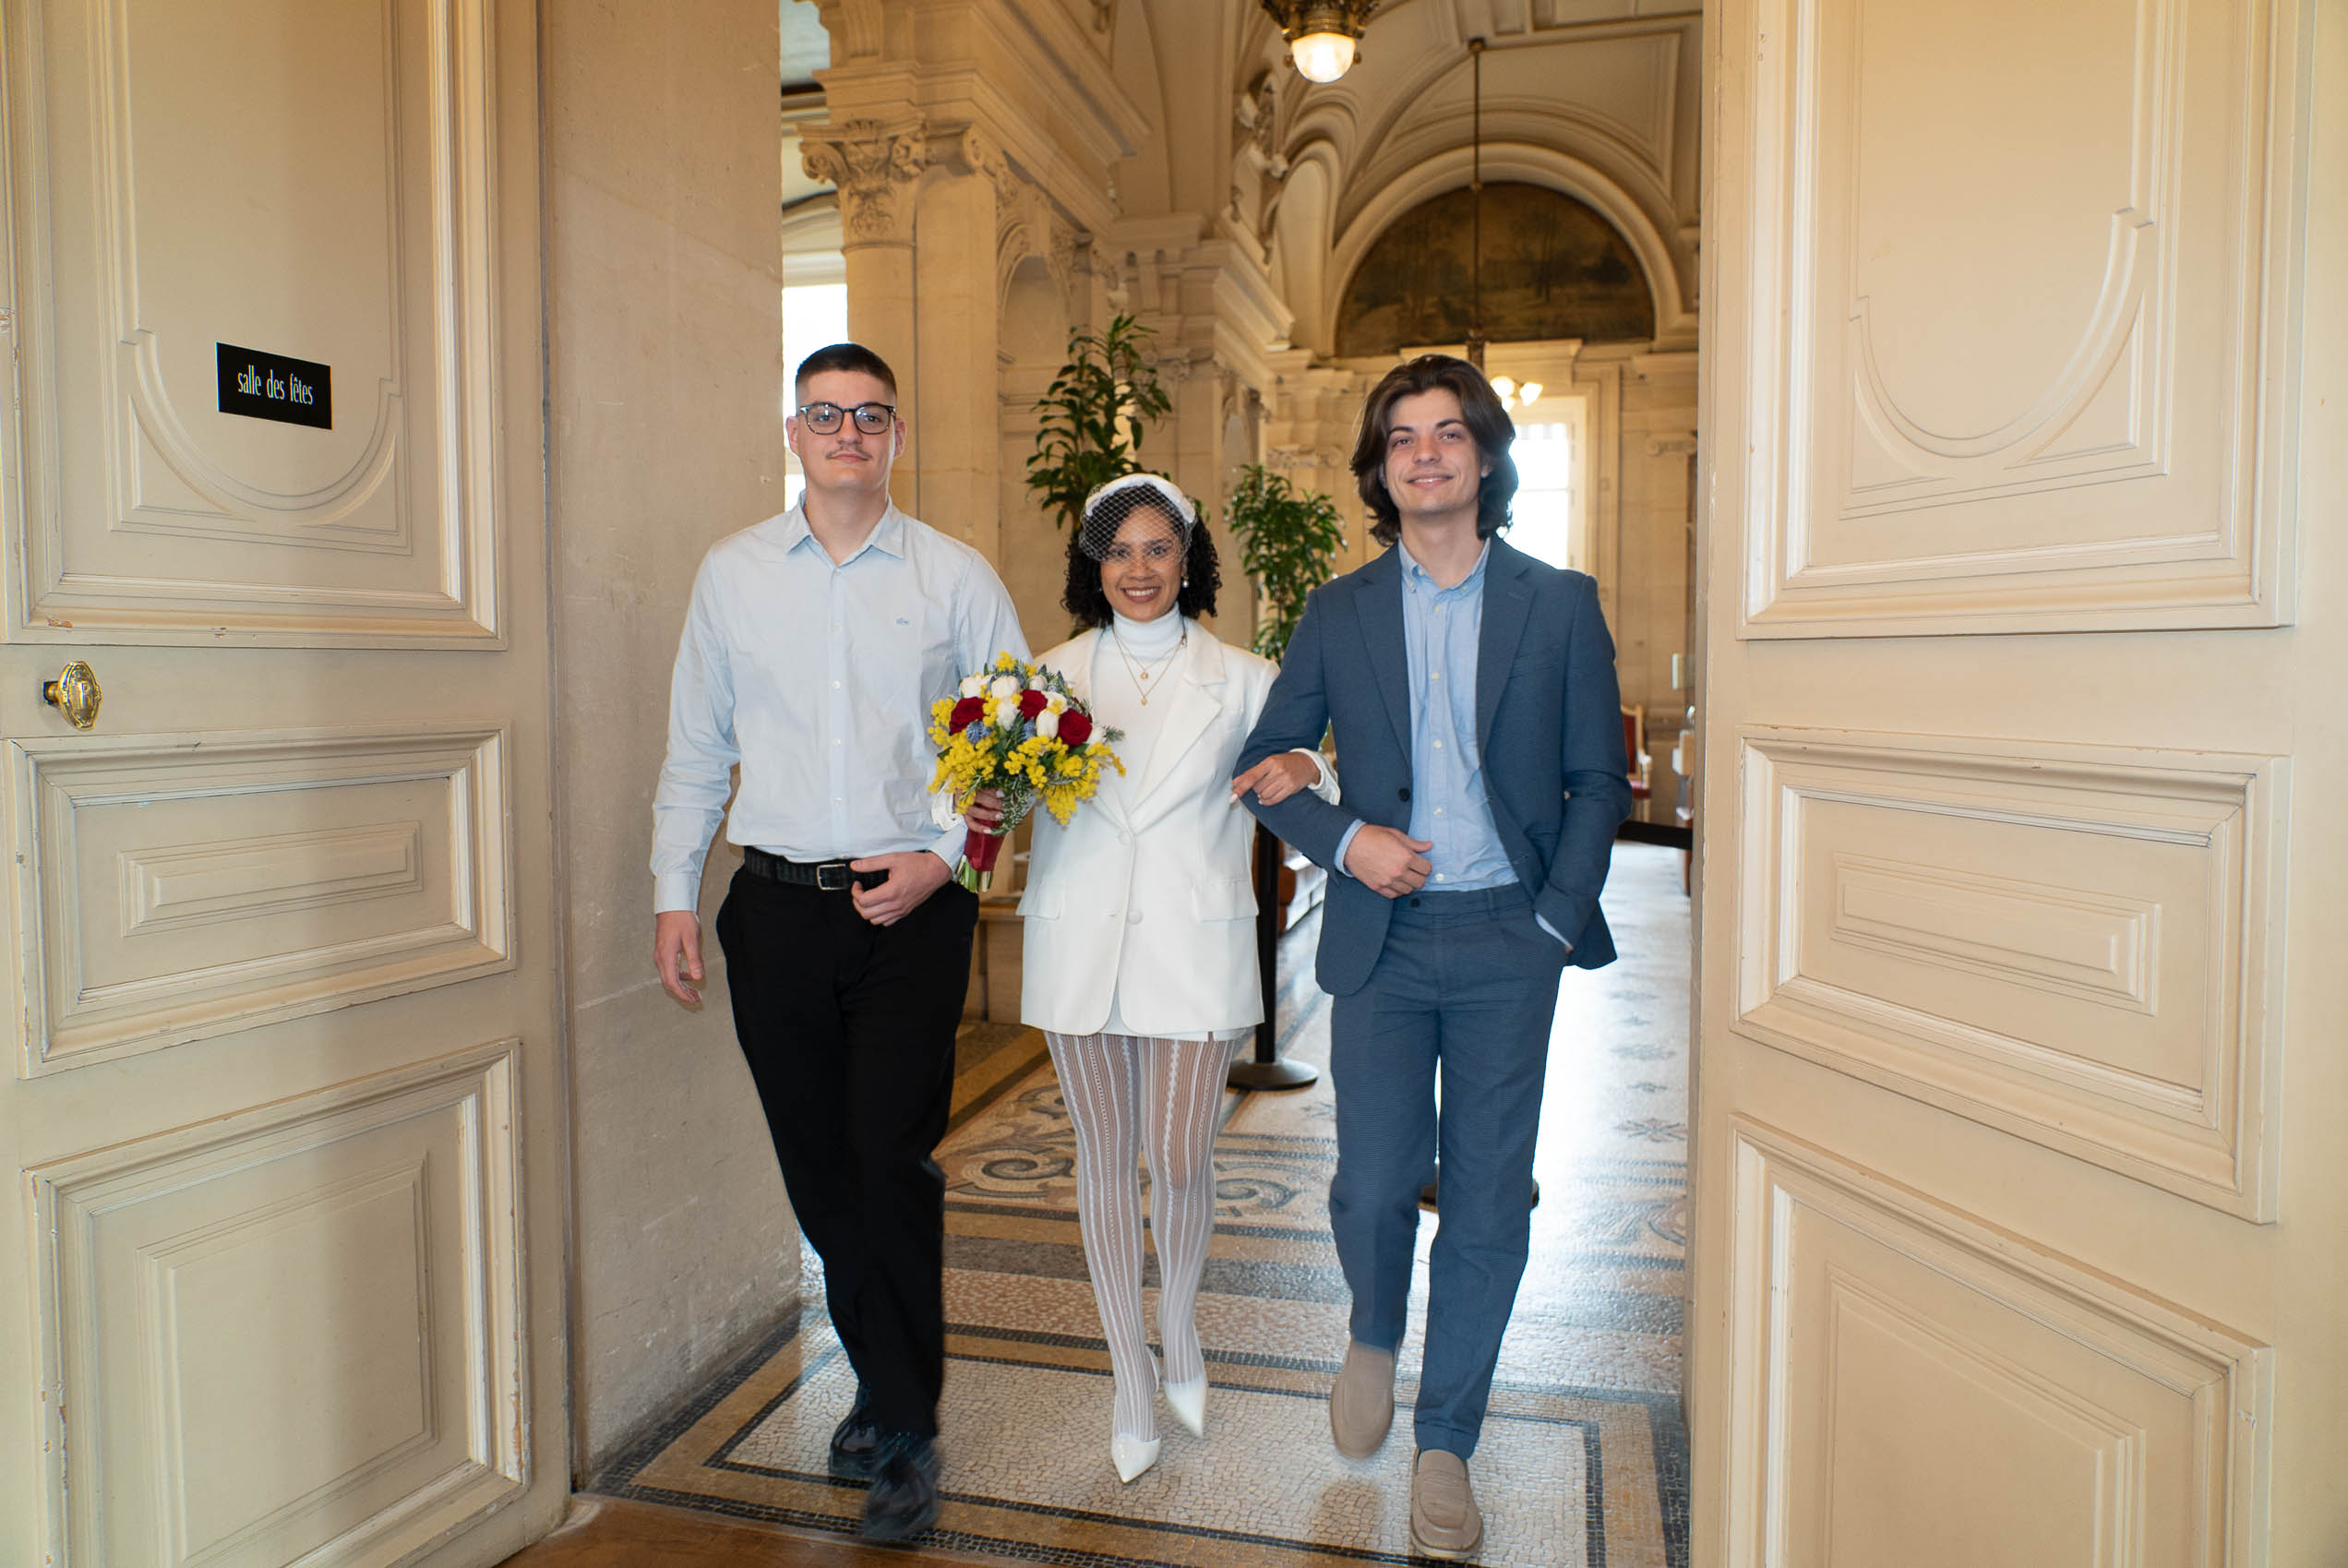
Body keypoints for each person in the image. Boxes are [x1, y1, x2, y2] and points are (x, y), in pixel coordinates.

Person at [1234, 355, 1630, 1560]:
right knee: (1372, 1181)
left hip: (1514, 934)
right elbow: (1265, 762)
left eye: (1447, 432)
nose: (1425, 453)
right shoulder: (1339, 610)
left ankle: (1446, 1439)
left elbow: (1598, 779)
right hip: (1387, 940)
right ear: (1381, 467)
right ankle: (1372, 1329)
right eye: (1401, 437)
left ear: (1485, 455)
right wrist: (1347, 841)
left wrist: (1554, 921)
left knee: (1489, 1195)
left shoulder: (1559, 603)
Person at [651, 342, 1028, 1543]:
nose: (848, 433)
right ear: (795, 432)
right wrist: (672, 893)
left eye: (870, 416)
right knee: (820, 1170)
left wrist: (944, 859)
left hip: (910, 907)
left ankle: (904, 1427)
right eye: (826, 414)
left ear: (896, 436)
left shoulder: (955, 576)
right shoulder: (733, 574)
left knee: (888, 1156)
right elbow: (697, 745)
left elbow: (1019, 743)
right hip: (774, 908)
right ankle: (883, 1377)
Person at [1017, 473, 1336, 1483]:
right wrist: (977, 804)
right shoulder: (1046, 677)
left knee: (1182, 1155)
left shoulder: (1244, 677)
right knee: (1105, 1156)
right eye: (1119, 551)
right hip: (1080, 945)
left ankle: (1182, 1327)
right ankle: (1129, 1374)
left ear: (1189, 560)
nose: (1139, 568)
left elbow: (1309, 768)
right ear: (1094, 565)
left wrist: (1314, 771)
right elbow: (990, 802)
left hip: (1194, 948)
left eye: (1158, 548)